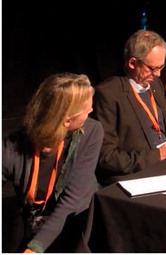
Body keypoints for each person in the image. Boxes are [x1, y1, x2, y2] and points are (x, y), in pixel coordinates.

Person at [3, 73, 104, 253]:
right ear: (67, 120)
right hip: (33, 221)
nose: (91, 112)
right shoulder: (13, 146)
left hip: (76, 220)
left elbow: (70, 201)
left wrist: (34, 249)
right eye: (87, 109)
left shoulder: (91, 131)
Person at [93, 30, 166, 186]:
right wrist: (156, 156)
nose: (158, 74)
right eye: (152, 68)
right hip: (133, 174)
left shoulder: (155, 85)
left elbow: (159, 128)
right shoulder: (108, 94)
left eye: (161, 67)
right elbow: (107, 157)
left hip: (165, 163)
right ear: (132, 63)